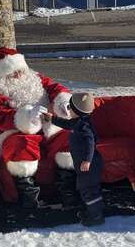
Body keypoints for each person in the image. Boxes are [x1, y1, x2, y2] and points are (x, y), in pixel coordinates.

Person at [0, 47, 75, 208]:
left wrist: (63, 101)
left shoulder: (37, 78)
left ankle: (68, 193)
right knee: (21, 145)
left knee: (68, 137)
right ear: (2, 76)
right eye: (11, 73)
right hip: (18, 131)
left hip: (47, 126)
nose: (18, 75)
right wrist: (27, 116)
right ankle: (30, 200)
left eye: (20, 70)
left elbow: (56, 89)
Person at [42, 93, 105, 226]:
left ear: (76, 111)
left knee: (88, 190)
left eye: (69, 106)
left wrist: (87, 160)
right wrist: (52, 119)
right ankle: (92, 211)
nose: (67, 109)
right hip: (84, 164)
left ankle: (96, 217)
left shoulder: (84, 126)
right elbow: (66, 124)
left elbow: (90, 142)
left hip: (89, 165)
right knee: (86, 188)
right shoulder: (78, 122)